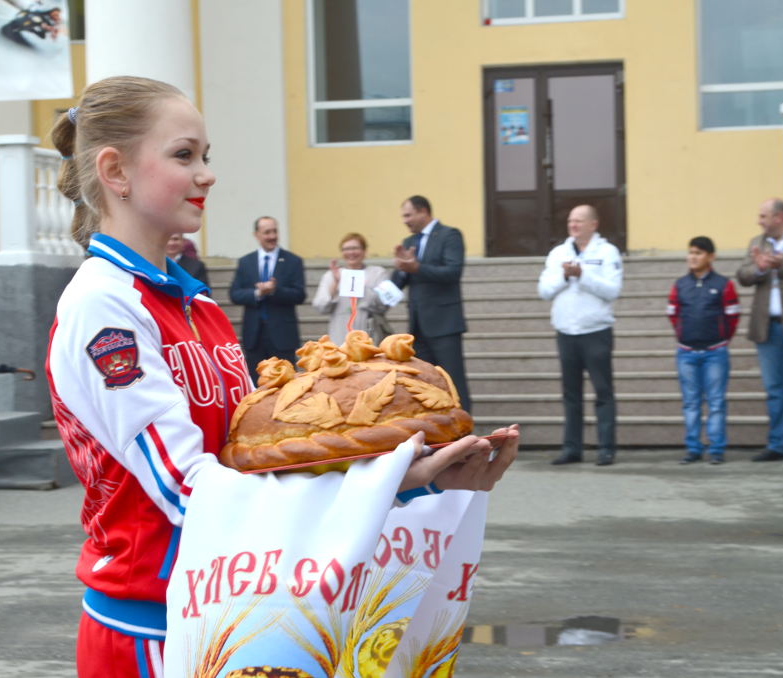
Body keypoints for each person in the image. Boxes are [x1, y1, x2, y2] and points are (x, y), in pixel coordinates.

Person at [45, 76, 517, 676]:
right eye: (184, 155)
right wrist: (386, 481)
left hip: (238, 605)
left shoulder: (198, 304)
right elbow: (186, 490)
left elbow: (260, 462)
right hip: (151, 629)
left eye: (206, 156)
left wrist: (419, 479)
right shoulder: (103, 306)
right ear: (116, 171)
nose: (207, 174)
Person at [538, 204, 623, 466]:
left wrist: (582, 275)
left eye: (579, 221)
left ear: (593, 224)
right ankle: (572, 448)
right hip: (566, 331)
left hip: (596, 331)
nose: (573, 225)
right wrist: (565, 276)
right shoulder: (558, 253)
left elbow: (612, 290)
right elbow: (544, 290)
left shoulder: (607, 252)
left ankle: (606, 448)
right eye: (570, 221)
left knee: (603, 391)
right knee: (571, 394)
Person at [736, 198, 783, 462]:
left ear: (779, 217)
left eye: (763, 216)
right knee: (774, 389)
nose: (759, 222)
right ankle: (777, 445)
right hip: (768, 328)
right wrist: (759, 268)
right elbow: (743, 275)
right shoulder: (758, 242)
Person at [391, 195, 471, 411]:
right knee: (424, 383)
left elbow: (453, 272)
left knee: (453, 382)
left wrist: (416, 267)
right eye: (403, 216)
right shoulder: (408, 242)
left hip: (444, 323)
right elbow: (400, 280)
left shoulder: (449, 235)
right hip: (418, 326)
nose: (405, 221)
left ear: (423, 212)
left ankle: (464, 428)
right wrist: (400, 269)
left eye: (408, 215)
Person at [667, 236, 740, 465]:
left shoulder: (724, 284)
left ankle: (716, 449)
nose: (693, 257)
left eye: (698, 253)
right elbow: (672, 314)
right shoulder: (680, 285)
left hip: (715, 353)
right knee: (691, 403)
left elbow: (733, 316)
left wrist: (721, 338)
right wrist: (683, 334)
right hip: (686, 353)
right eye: (690, 252)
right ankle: (693, 449)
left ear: (711, 257)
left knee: (716, 402)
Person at [229, 216, 306, 375]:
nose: (272, 236)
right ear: (256, 235)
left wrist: (275, 290)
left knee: (285, 382)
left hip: (283, 336)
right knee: (256, 383)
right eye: (267, 232)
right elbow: (235, 294)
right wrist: (257, 293)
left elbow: (300, 294)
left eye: (275, 231)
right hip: (254, 336)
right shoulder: (246, 262)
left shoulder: (293, 261)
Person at [311, 232, 393, 345]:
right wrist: (336, 283)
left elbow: (384, 305)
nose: (351, 252)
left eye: (355, 248)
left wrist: (363, 287)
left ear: (364, 251)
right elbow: (321, 307)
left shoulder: (378, 273)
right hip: (340, 332)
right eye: (346, 249)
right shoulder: (331, 275)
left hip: (369, 331)